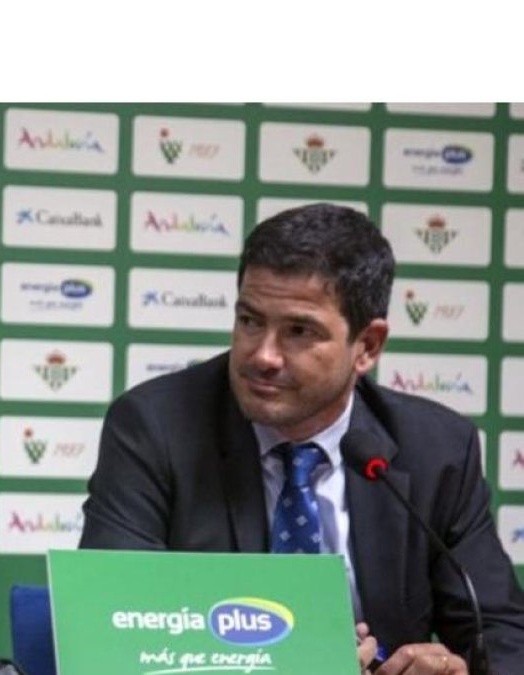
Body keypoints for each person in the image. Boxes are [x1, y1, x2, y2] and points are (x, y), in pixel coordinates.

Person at [80, 203, 524, 675]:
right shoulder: (155, 427)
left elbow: (501, 633)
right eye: (250, 320)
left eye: (298, 331)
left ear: (367, 346)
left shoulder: (436, 448)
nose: (262, 355)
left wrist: (456, 670)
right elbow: (113, 625)